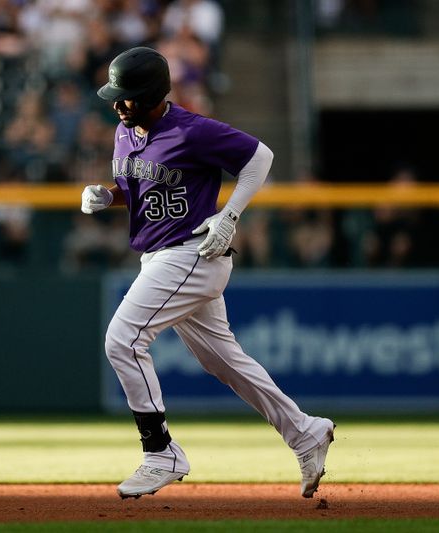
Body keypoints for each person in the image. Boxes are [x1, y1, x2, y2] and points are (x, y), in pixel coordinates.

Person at [80, 47, 335, 500]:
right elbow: (143, 186)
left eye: (127, 96)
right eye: (115, 95)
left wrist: (231, 214)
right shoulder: (124, 132)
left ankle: (161, 452)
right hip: (161, 255)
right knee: (223, 361)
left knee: (122, 338)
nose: (117, 104)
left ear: (154, 93)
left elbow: (260, 157)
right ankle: (305, 432)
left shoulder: (191, 129)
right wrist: (110, 195)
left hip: (191, 254)